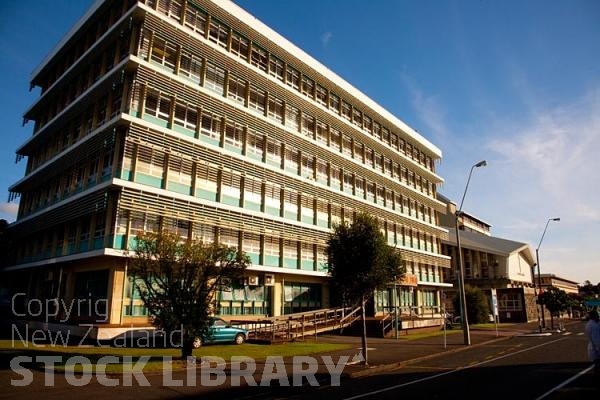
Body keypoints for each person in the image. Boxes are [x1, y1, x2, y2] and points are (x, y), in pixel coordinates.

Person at [584, 309, 600, 386]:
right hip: (595, 349)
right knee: (598, 366)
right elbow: (596, 339)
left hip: (592, 347)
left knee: (597, 366)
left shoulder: (589, 324)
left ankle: (595, 380)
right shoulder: (594, 325)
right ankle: (595, 381)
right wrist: (598, 349)